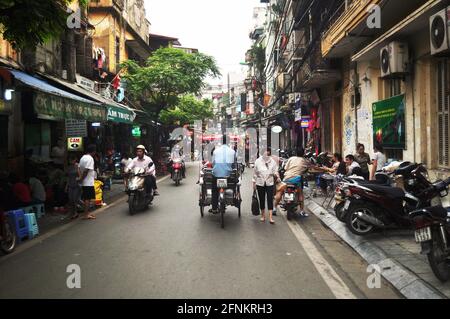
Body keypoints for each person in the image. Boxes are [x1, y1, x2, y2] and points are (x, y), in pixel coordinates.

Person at [274, 148, 314, 217]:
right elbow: (310, 169)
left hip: (286, 178)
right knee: (300, 193)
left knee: (280, 191)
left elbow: (285, 168)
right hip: (296, 180)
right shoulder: (305, 161)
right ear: (303, 153)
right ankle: (301, 211)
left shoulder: (291, 158)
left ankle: (274, 208)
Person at [209, 137, 236, 214]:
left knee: (214, 190)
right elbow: (234, 164)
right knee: (231, 185)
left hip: (216, 174)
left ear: (220, 142)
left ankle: (214, 208)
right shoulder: (232, 151)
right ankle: (230, 198)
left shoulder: (216, 151)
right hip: (227, 175)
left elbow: (213, 163)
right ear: (228, 142)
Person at [253, 150, 279, 224]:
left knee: (270, 199)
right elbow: (255, 173)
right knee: (262, 199)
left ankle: (270, 217)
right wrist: (254, 183)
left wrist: (276, 176)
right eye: (265, 155)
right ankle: (263, 215)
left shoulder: (272, 162)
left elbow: (275, 171)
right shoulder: (258, 161)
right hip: (260, 182)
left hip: (269, 182)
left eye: (268, 155)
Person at [79, 144, 97, 220]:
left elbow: (79, 168)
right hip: (88, 182)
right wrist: (82, 178)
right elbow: (86, 170)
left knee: (86, 198)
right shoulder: (90, 159)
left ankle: (87, 213)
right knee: (87, 199)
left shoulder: (82, 157)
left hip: (84, 182)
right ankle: (86, 214)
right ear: (93, 151)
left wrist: (80, 177)